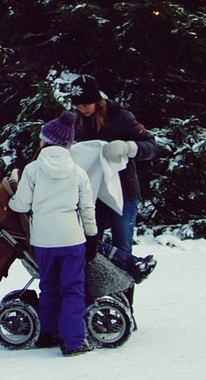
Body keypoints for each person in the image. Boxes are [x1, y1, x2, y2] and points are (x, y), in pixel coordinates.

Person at [9, 112, 99, 356]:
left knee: (48, 286)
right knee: (72, 288)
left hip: (43, 240)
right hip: (72, 239)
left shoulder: (32, 170)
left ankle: (47, 333)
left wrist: (12, 200)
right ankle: (74, 341)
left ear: (45, 141)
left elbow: (21, 205)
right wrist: (92, 235)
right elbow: (87, 208)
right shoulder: (78, 172)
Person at [68, 75, 159, 281]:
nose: (83, 109)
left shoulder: (120, 117)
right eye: (78, 106)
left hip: (123, 193)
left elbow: (151, 146)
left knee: (123, 249)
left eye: (86, 104)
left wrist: (128, 148)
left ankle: (125, 297)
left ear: (97, 100)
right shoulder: (74, 122)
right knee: (90, 247)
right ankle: (94, 295)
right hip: (91, 195)